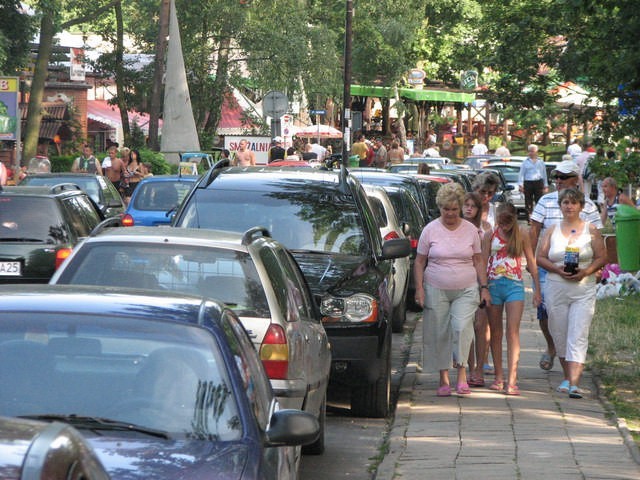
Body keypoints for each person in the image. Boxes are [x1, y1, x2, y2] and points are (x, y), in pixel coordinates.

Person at [413, 183, 491, 397]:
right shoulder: (430, 230)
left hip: (466, 288)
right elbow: (419, 262)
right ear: (440, 208)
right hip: (436, 287)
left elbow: (478, 261)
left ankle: (463, 374)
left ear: (460, 208)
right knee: (440, 332)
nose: (450, 213)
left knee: (462, 326)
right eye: (446, 209)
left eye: (454, 209)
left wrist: (484, 288)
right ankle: (443, 378)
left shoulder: (471, 231)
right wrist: (419, 288)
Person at [529, 160, 603, 372]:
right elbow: (533, 231)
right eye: (556, 177)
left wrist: (595, 268)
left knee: (574, 315)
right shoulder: (545, 200)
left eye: (563, 176)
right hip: (547, 264)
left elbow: (598, 236)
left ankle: (570, 357)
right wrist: (530, 261)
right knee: (545, 311)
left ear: (575, 179)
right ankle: (552, 346)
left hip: (580, 266)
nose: (559, 181)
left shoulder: (587, 205)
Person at [536, 188, 606, 398]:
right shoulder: (552, 230)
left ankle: (575, 383)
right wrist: (556, 269)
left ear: (581, 206)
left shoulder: (591, 230)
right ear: (560, 205)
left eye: (573, 203)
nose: (569, 206)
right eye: (565, 202)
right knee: (560, 331)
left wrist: (586, 271)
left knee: (578, 332)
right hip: (556, 286)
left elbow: (602, 257)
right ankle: (567, 377)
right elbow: (540, 256)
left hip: (583, 287)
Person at [484, 203, 541, 395]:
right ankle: (499, 376)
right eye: (501, 221)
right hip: (493, 285)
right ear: (497, 218)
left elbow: (531, 262)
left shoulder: (522, 234)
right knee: (496, 331)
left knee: (513, 332)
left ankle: (512, 379)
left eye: (509, 221)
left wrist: (537, 290)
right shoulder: (489, 235)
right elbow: (482, 262)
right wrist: (482, 288)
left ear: (514, 219)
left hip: (514, 286)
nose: (505, 225)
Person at [462, 192, 492, 388]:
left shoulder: (486, 230)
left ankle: (479, 368)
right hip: (463, 281)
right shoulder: (457, 228)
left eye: (473, 205)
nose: (469, 209)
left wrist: (485, 284)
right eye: (466, 205)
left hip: (482, 280)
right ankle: (468, 366)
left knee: (481, 326)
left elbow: (486, 257)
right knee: (466, 328)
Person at [518, 144, 548, 223]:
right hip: (528, 182)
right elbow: (521, 174)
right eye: (530, 151)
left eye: (533, 151)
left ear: (536, 152)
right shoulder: (525, 162)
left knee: (539, 200)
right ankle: (529, 217)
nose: (531, 153)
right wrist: (520, 185)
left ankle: (538, 217)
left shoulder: (541, 162)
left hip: (538, 182)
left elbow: (544, 174)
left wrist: (546, 185)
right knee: (528, 201)